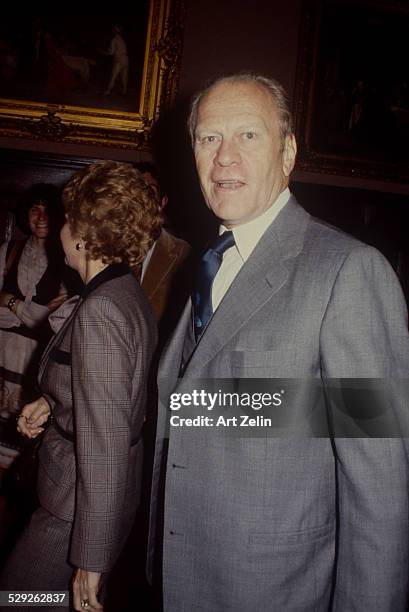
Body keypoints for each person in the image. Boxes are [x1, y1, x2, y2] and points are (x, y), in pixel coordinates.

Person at [148, 74, 409, 611]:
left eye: (248, 136)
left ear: (288, 153)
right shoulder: (205, 264)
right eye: (208, 138)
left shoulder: (348, 272)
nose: (224, 159)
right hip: (182, 581)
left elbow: (377, 491)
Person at [0, 161, 161, 611]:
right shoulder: (124, 292)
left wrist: (89, 557)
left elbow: (106, 438)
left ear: (86, 234)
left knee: (17, 600)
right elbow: (113, 392)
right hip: (87, 500)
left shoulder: (102, 310)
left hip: (76, 509)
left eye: (67, 219)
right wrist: (52, 403)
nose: (59, 230)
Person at [0, 184, 66, 423]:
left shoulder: (66, 261)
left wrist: (9, 301)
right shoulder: (9, 251)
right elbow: (38, 315)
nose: (41, 218)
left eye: (47, 210)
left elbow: (51, 321)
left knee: (26, 425)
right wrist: (32, 314)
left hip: (35, 360)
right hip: (2, 353)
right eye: (34, 210)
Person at [136, 162, 191, 344]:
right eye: (136, 190)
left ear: (163, 201)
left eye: (150, 190)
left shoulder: (184, 253)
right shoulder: (105, 249)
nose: (142, 198)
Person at [102, 24, 129, 96]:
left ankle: (107, 91)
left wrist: (103, 52)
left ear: (114, 31)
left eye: (113, 30)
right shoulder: (122, 39)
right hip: (126, 59)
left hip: (119, 59)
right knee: (124, 77)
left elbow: (111, 53)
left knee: (113, 76)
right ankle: (124, 92)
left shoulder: (114, 40)